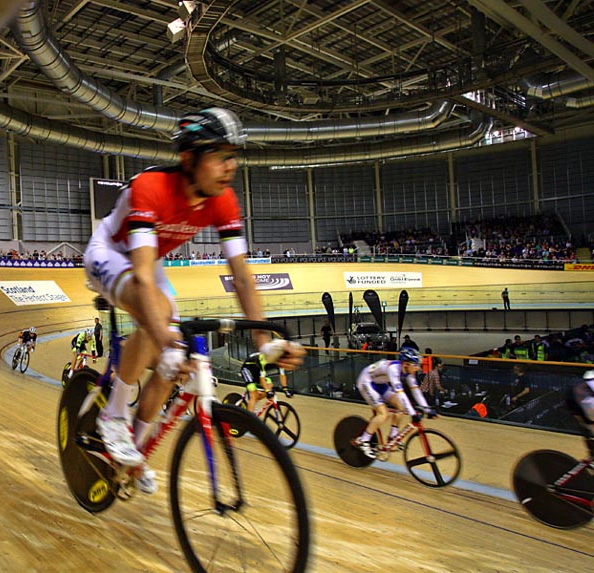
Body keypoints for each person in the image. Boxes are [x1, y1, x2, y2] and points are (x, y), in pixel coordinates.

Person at [83, 107, 304, 494]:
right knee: (160, 323)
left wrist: (265, 342)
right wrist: (162, 334)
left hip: (150, 264)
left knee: (177, 364)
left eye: (233, 156)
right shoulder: (150, 188)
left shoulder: (224, 201)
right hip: (111, 253)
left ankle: (131, 453)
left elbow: (241, 275)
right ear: (189, 159)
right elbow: (142, 273)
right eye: (220, 156)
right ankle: (113, 414)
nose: (230, 166)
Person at [354, 347, 436, 458]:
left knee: (401, 407)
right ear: (406, 364)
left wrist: (427, 408)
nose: (418, 368)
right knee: (383, 414)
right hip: (366, 381)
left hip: (380, 383)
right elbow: (401, 394)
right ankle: (363, 440)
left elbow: (416, 391)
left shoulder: (408, 372)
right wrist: (412, 413)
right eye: (416, 365)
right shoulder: (393, 369)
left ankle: (393, 436)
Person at [565, 370, 594, 457]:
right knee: (587, 429)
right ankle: (592, 453)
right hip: (579, 405)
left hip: (580, 404)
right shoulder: (580, 394)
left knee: (587, 429)